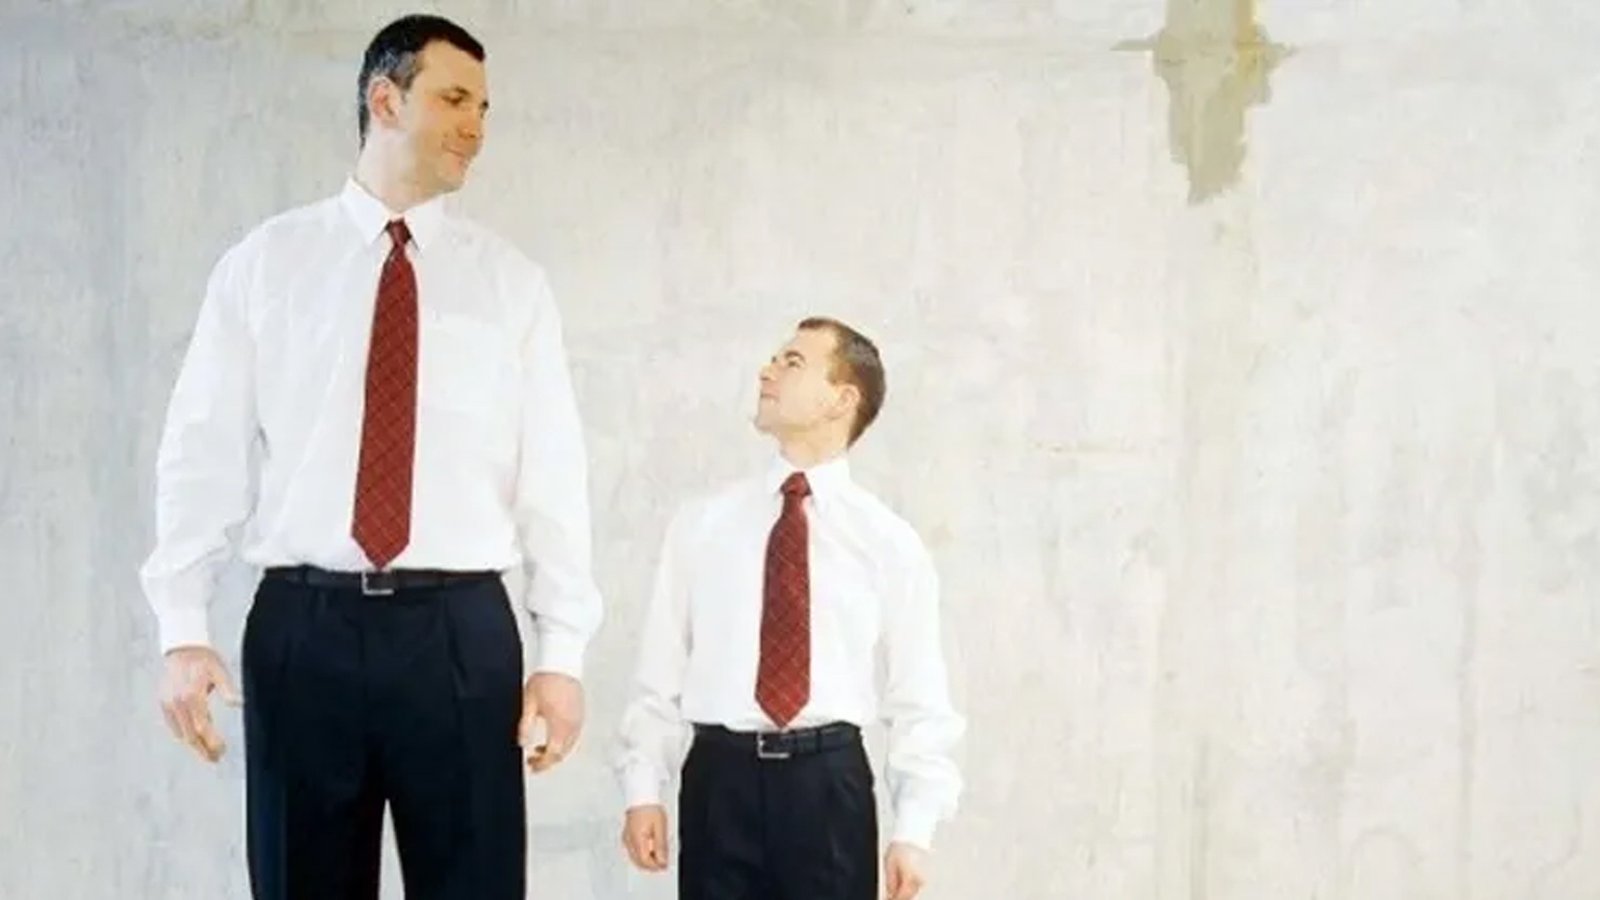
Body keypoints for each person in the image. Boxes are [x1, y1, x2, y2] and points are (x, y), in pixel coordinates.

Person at [139, 14, 602, 899]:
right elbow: (200, 452)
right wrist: (182, 630)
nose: (476, 126)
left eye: (485, 107)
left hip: (460, 635)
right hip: (303, 631)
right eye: (455, 99)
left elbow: (554, 477)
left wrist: (563, 653)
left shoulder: (510, 286)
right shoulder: (266, 265)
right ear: (384, 100)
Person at [615, 317, 964, 900]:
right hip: (718, 783)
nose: (767, 371)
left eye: (792, 362)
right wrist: (643, 787)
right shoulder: (703, 525)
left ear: (841, 399)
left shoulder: (887, 542)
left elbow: (919, 695)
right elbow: (660, 668)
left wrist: (914, 829)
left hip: (827, 788)